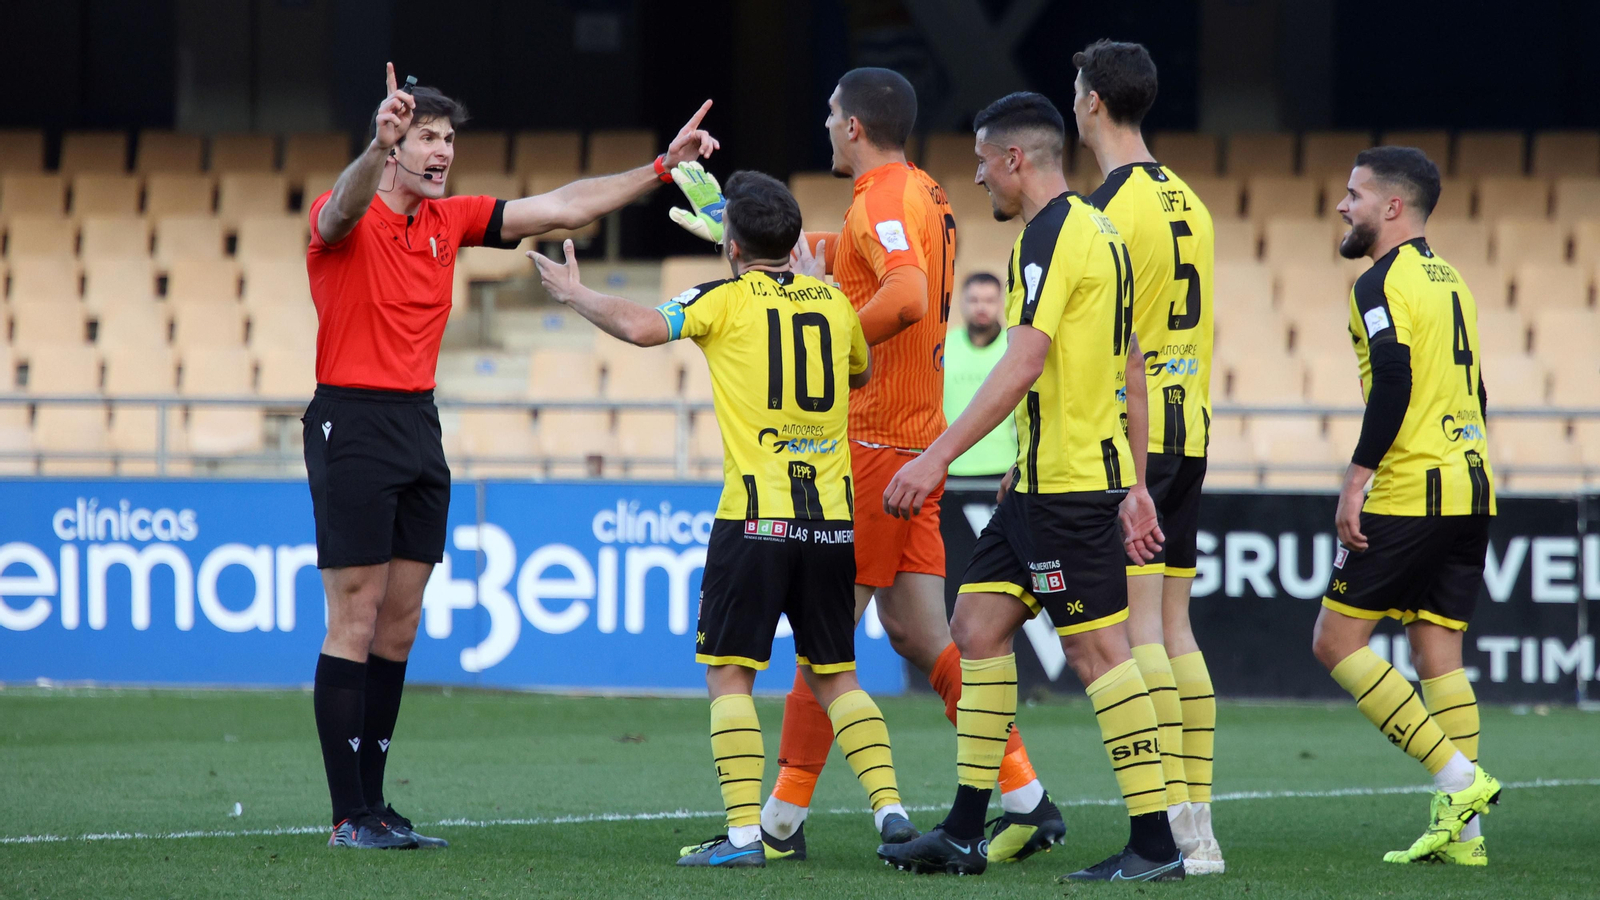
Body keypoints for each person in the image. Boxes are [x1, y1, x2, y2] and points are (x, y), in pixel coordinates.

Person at [305, 63, 718, 850]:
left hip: (418, 426)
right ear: (390, 144)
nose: (440, 152)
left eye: (447, 139)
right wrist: (374, 147)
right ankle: (346, 813)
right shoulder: (347, 211)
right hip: (352, 422)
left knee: (399, 626)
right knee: (353, 619)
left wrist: (662, 170)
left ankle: (376, 804)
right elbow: (339, 213)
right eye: (424, 137)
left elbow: (562, 205)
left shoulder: (449, 219)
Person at [672, 67, 1060, 864]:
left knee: (829, 642)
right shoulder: (921, 194)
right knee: (920, 632)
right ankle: (1026, 796)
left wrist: (823, 332)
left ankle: (776, 823)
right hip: (912, 441)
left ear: (853, 126)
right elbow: (842, 259)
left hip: (877, 445)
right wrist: (735, 220)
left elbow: (907, 294)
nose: (823, 125)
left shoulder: (883, 196)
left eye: (828, 114)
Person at [530, 169, 913, 868]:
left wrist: (575, 292)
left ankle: (743, 838)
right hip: (830, 522)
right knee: (836, 674)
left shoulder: (722, 299)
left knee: (731, 674)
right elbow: (858, 374)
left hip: (756, 519)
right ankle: (891, 812)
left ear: (730, 244)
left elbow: (646, 328)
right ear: (795, 242)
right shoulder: (832, 304)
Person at [877, 91, 1181, 882]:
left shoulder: (1049, 236)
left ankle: (1155, 845)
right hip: (1042, 482)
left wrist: (936, 455)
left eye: (982, 162)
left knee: (1097, 655)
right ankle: (967, 830)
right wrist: (1138, 482)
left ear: (1015, 159)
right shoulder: (1102, 231)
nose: (978, 178)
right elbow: (1133, 363)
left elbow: (1024, 360)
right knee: (975, 627)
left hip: (1070, 491)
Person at [1314, 146, 1501, 865]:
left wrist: (1357, 477)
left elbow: (1392, 377)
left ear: (1392, 208)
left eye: (1355, 194)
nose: (1343, 205)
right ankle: (1467, 839)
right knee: (1435, 649)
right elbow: (1477, 393)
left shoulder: (1378, 281)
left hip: (1411, 487)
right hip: (1471, 483)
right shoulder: (1452, 280)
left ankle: (1459, 780)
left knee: (1335, 642)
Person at [1075, 39, 1222, 873]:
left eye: (1074, 86)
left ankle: (1168, 828)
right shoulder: (1190, 200)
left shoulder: (1110, 210)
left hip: (1142, 438)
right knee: (1174, 626)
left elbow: (1116, 343)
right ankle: (1197, 826)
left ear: (1092, 100)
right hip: (1190, 426)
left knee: (1137, 635)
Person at [944, 273, 1017, 478]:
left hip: (1004, 467)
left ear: (1001, 302)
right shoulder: (943, 347)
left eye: (989, 300)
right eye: (974, 300)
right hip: (950, 466)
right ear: (961, 302)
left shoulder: (1015, 348)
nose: (981, 307)